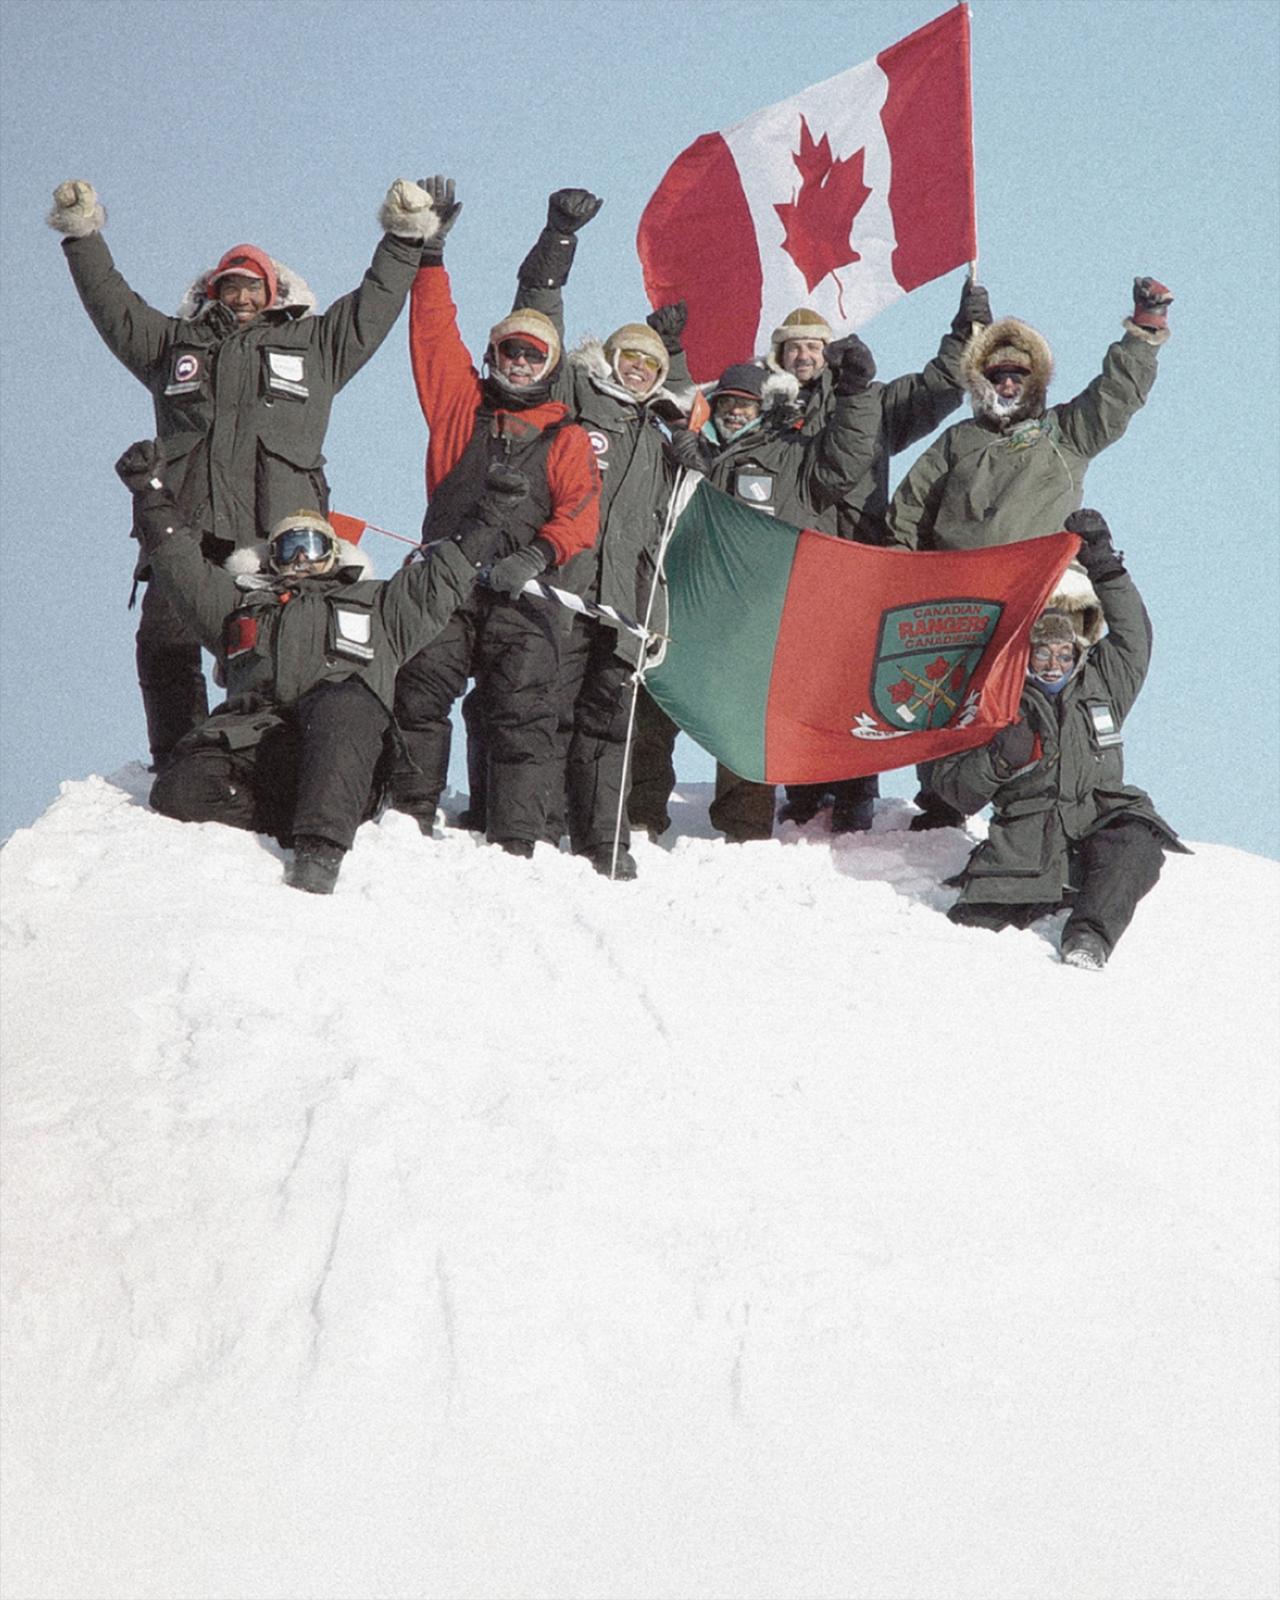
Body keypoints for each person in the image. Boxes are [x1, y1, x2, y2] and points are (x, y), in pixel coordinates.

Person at [48, 177, 440, 768]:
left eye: (253, 286)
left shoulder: (316, 346)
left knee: (278, 650)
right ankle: (178, 759)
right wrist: (83, 236)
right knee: (165, 643)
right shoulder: (173, 346)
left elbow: (374, 305)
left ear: (275, 291)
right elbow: (114, 306)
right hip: (186, 529)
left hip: (279, 541)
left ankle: (275, 761)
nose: (242, 297)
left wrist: (404, 238)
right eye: (230, 286)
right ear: (212, 292)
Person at [113, 438, 529, 894]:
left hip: (343, 748)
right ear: (270, 557)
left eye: (310, 546)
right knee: (180, 788)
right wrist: (149, 495)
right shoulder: (242, 606)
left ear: (334, 552)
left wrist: (492, 510)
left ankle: (320, 850)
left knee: (347, 701)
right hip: (263, 745)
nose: (299, 559)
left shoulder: (379, 605)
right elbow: (181, 568)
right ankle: (286, 821)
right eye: (287, 548)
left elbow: (445, 572)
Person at [885, 274, 1173, 828]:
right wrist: (900, 574)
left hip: (1038, 598)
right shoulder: (957, 443)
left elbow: (1115, 398)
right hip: (959, 596)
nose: (1008, 384)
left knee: (1035, 700)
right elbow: (911, 510)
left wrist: (1144, 330)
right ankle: (943, 797)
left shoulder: (1063, 433)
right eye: (997, 375)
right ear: (980, 381)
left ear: (1034, 381)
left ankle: (1044, 810)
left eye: (1018, 375)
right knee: (950, 695)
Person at [389, 177, 601, 858]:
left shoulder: (565, 435)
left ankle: (517, 840)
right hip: (446, 584)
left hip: (522, 595)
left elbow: (581, 513)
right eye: (509, 350)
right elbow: (431, 334)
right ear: (494, 356)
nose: (518, 361)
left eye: (532, 354)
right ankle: (410, 815)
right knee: (419, 690)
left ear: (550, 365)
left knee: (524, 714)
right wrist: (430, 255)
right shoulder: (460, 407)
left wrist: (536, 557)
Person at [483, 189, 689, 879]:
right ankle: (530, 833)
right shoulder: (575, 395)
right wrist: (558, 241)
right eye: (629, 359)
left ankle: (605, 842)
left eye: (650, 366)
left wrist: (691, 437)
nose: (636, 370)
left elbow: (698, 446)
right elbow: (536, 319)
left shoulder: (661, 437)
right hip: (561, 585)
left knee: (609, 727)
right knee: (540, 710)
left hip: (624, 604)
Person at [766, 279, 992, 832]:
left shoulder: (876, 400)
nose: (803, 356)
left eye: (814, 346)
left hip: (859, 558)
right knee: (799, 677)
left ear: (830, 353)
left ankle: (855, 789)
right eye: (793, 347)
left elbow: (940, 386)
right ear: (777, 355)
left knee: (855, 677)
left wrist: (968, 332)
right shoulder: (765, 409)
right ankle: (803, 784)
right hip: (792, 564)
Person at [628, 344, 877, 844]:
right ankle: (640, 817)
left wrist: (854, 395)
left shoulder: (790, 458)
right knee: (652, 713)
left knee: (741, 724)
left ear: (763, 408)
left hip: (751, 620)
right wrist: (675, 356)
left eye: (746, 404)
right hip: (681, 611)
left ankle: (744, 832)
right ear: (714, 406)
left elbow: (846, 457)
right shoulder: (684, 453)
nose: (735, 412)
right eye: (727, 403)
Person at [929, 510, 1186, 969]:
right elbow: (952, 790)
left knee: (1137, 837)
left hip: (1094, 827)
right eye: (1042, 654)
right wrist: (997, 761)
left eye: (1062, 654)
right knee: (962, 949)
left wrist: (1105, 565)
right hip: (1022, 852)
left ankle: (1089, 938)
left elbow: (1133, 635)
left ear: (1076, 654)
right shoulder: (995, 698)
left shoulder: (1104, 683)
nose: (1052, 664)